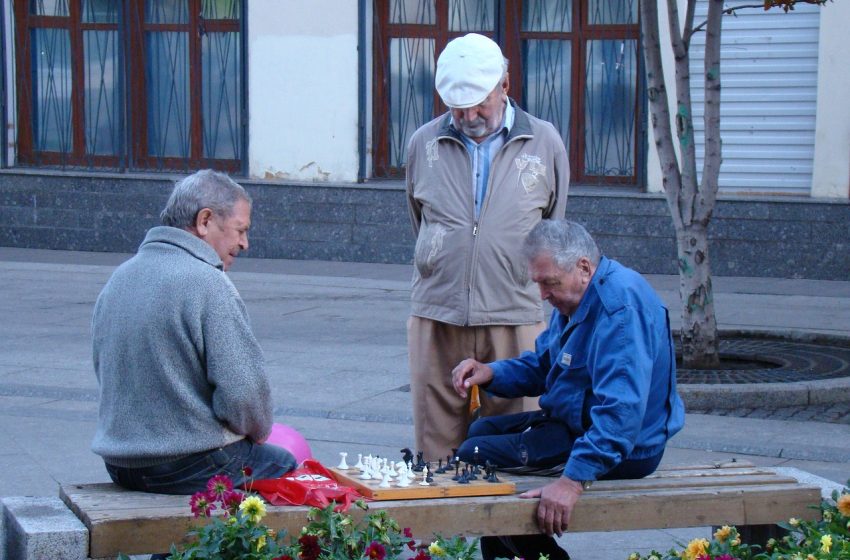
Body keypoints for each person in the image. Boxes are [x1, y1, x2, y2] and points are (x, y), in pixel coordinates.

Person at [451, 219, 685, 560]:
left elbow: (620, 416)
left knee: (474, 455)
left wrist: (572, 481)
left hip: (628, 448)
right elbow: (546, 365)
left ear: (584, 268)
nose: (543, 295)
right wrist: (490, 373)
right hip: (577, 425)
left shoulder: (619, 310)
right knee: (480, 431)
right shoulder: (576, 297)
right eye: (538, 284)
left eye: (549, 283)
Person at [406, 33, 569, 462]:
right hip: (437, 311)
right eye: (458, 106)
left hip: (514, 312)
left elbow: (553, 227)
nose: (468, 115)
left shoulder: (545, 142)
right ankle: (441, 527)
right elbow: (420, 220)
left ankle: (507, 532)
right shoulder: (423, 144)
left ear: (505, 85)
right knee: (434, 445)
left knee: (516, 442)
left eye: (479, 103)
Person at [91, 169, 296, 496]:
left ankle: (171, 549)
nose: (245, 243)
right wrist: (257, 431)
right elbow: (243, 394)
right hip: (184, 464)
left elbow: (104, 368)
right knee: (284, 465)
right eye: (240, 230)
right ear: (205, 221)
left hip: (120, 463)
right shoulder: (209, 283)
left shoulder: (119, 278)